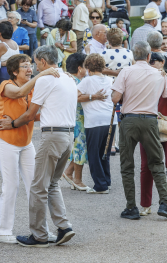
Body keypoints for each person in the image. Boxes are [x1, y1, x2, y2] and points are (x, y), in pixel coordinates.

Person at [0, 45, 77, 247]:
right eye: (25, 66)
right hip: (65, 136)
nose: (31, 68)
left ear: (42, 62)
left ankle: (40, 235)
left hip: (48, 137)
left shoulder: (45, 81)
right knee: (46, 184)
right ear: (15, 71)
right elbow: (25, 99)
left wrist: (14, 122)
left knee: (39, 186)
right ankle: (62, 227)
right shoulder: (65, 78)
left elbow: (32, 115)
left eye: (32, 63)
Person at [111, 41, 167, 220]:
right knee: (157, 163)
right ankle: (164, 202)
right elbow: (164, 95)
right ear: (149, 56)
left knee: (127, 165)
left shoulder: (126, 71)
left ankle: (131, 207)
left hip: (129, 119)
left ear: (134, 56)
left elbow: (115, 98)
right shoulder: (159, 74)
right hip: (150, 119)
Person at [76, 53, 115, 194]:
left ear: (88, 67)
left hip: (94, 121)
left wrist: (92, 97)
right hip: (110, 120)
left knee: (94, 154)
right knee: (105, 153)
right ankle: (106, 181)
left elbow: (75, 96)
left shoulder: (87, 80)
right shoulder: (110, 80)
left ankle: (100, 185)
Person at [63, 53, 101, 191]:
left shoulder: (68, 79)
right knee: (80, 147)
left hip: (74, 117)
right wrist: (94, 96)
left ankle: (69, 173)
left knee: (80, 147)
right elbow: (76, 97)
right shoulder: (76, 81)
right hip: (78, 118)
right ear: (80, 68)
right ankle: (77, 179)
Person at [139, 51, 167, 216]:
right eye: (150, 62)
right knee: (146, 166)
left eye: (154, 61)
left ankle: (162, 203)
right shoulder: (144, 79)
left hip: (161, 124)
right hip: (149, 125)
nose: (151, 64)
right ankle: (145, 204)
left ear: (162, 62)